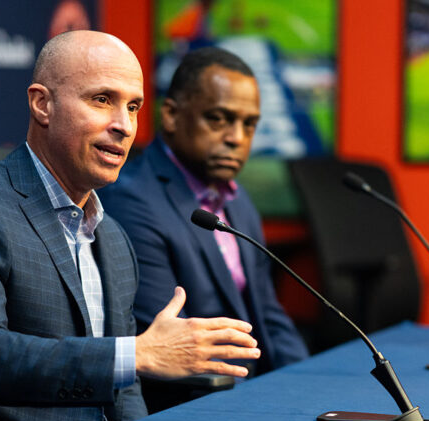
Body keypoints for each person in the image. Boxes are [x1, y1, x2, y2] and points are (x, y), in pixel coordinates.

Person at [0, 31, 260, 421]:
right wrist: (135, 354)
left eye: (133, 107)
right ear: (42, 104)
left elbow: (125, 390)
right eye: (102, 100)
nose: (124, 126)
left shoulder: (113, 237)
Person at [99, 47, 309, 396]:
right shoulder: (133, 201)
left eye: (249, 124)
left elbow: (268, 314)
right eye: (218, 119)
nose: (236, 138)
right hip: (197, 399)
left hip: (252, 388)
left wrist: (305, 384)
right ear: (171, 115)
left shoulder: (237, 199)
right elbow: (166, 344)